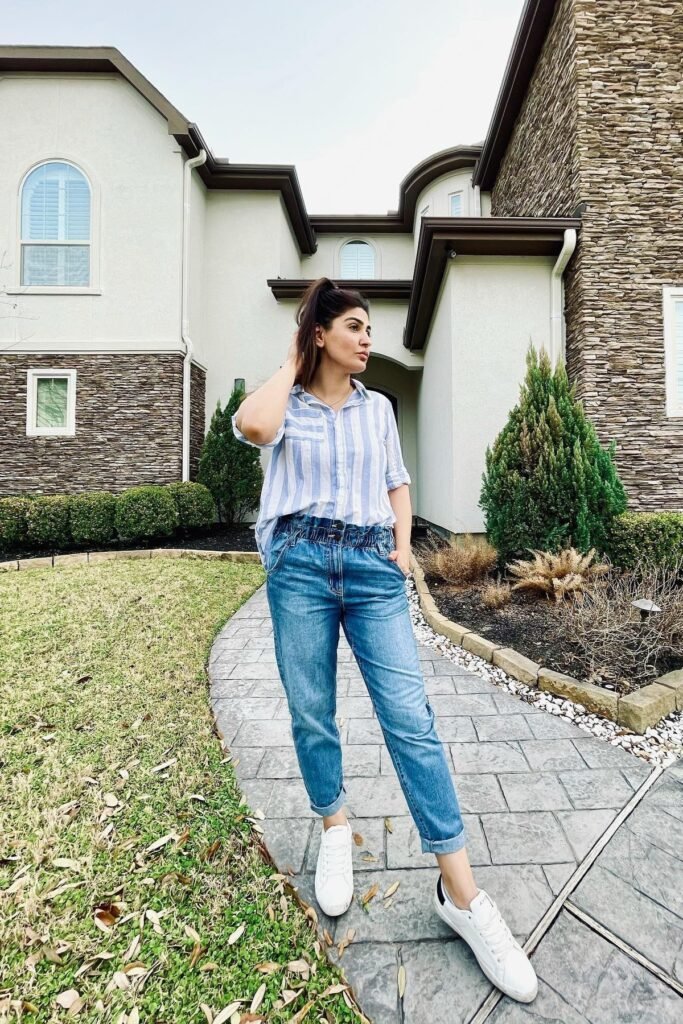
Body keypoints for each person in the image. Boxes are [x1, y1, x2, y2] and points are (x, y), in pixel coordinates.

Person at [232, 277, 538, 1004]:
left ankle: (460, 895)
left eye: (369, 328)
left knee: (411, 721)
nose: (368, 339)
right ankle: (336, 825)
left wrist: (400, 543)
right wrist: (291, 358)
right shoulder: (289, 402)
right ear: (320, 335)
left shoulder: (377, 411)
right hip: (301, 566)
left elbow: (396, 484)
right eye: (354, 327)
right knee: (311, 708)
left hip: (370, 569)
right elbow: (252, 426)